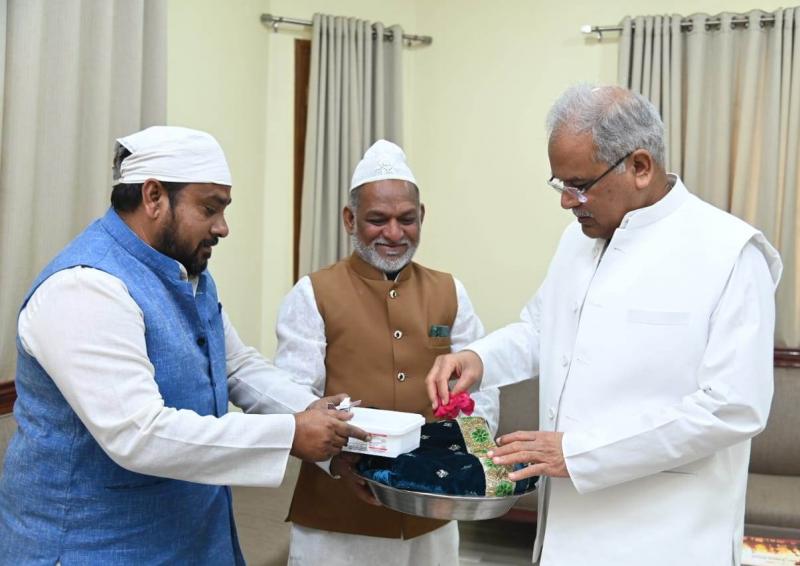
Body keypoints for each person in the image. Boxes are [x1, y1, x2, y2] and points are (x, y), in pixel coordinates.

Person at [425, 85, 783, 566]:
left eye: (578, 184)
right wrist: (478, 358)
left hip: (665, 535)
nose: (567, 203)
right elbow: (539, 328)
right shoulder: (579, 241)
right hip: (565, 531)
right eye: (560, 185)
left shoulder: (730, 253)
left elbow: (732, 407)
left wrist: (580, 452)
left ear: (639, 167)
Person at [0, 126, 367, 565]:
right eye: (209, 208)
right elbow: (139, 433)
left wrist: (320, 418)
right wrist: (291, 434)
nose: (223, 227)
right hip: (90, 547)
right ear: (154, 197)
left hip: (189, 536)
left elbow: (234, 366)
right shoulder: (84, 288)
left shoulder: (186, 273)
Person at [276, 140, 499, 565]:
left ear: (422, 218)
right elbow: (292, 395)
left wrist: (468, 459)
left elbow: (482, 388)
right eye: (377, 220)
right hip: (337, 520)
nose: (394, 234)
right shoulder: (313, 294)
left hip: (431, 514)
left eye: (406, 220)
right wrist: (338, 463)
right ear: (349, 219)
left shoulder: (450, 291)